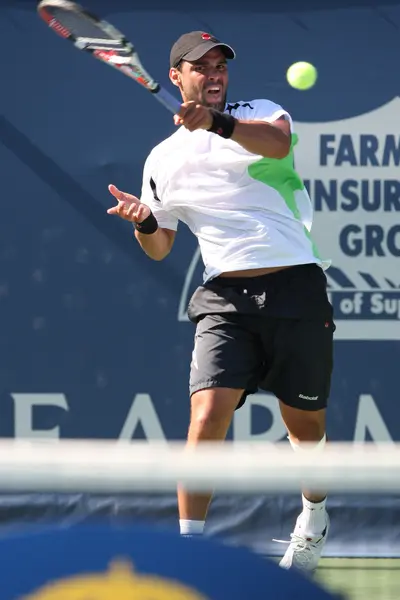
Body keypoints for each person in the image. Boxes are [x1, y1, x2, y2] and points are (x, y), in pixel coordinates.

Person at [107, 31, 335, 574]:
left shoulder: (259, 113)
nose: (214, 75)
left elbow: (277, 145)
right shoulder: (162, 160)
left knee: (305, 427)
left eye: (220, 66)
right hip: (224, 297)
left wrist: (217, 124)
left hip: (295, 285)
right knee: (207, 414)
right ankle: (189, 557)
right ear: (177, 77)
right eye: (200, 67)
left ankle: (314, 516)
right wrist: (143, 221)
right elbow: (161, 247)